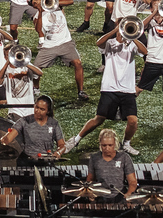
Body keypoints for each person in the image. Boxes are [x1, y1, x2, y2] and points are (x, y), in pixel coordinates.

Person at [62, 25, 146, 156]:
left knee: (133, 120)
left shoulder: (132, 45)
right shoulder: (110, 43)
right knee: (99, 119)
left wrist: (133, 37)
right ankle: (75, 140)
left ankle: (126, 144)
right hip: (109, 88)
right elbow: (98, 43)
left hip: (127, 90)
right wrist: (114, 30)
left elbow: (145, 52)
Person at [32, 0, 88, 101]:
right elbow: (39, 30)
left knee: (78, 63)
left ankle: (80, 91)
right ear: (34, 7)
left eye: (37, 0)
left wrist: (54, 3)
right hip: (49, 46)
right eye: (34, 3)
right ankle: (36, 89)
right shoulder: (36, 16)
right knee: (36, 69)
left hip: (65, 42)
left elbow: (71, 1)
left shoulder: (56, 6)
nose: (37, 2)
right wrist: (40, 11)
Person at [0, 95, 65, 162]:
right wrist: (4, 140)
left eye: (42, 109)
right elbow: (9, 137)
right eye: (36, 107)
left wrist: (59, 152)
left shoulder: (54, 124)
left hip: (46, 161)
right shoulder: (24, 121)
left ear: (48, 111)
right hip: (27, 161)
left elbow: (61, 145)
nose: (38, 111)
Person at [85, 129, 138, 195]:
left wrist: (129, 194)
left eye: (110, 145)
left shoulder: (124, 157)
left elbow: (132, 181)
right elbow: (90, 180)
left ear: (115, 144)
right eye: (104, 145)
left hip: (120, 197)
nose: (107, 148)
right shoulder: (94, 158)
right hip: (100, 197)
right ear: (100, 144)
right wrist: (90, 194)